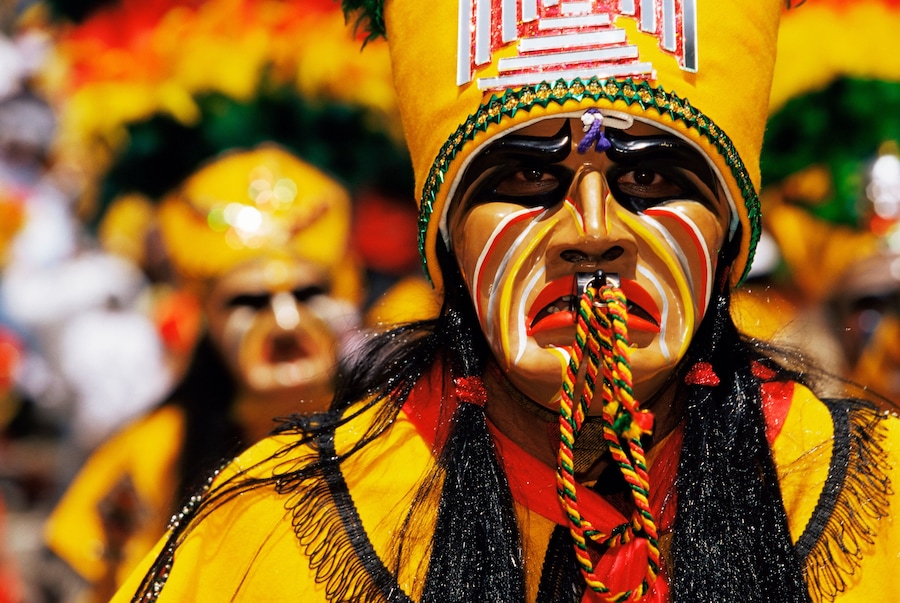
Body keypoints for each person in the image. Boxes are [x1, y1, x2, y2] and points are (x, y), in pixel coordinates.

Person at [113, 1, 900, 602]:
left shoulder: (881, 494)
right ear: (449, 243)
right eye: (527, 178)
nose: (592, 232)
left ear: (729, 241)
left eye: (651, 178)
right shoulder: (264, 531)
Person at [42, 145, 363, 602]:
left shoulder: (402, 431)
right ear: (207, 316)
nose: (286, 322)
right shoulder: (151, 454)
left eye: (309, 293)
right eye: (249, 302)